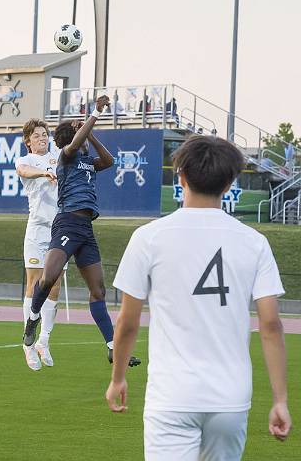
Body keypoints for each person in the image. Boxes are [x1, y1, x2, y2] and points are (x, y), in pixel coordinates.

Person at [106, 135, 292, 459]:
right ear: (230, 182)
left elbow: (127, 322)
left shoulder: (148, 238)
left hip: (172, 395)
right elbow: (271, 325)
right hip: (230, 398)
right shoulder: (254, 242)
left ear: (181, 176)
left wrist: (118, 377)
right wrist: (280, 400)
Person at [22, 95, 141, 367]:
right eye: (81, 138)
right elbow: (75, 144)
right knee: (47, 278)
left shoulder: (87, 162)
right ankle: (32, 320)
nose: (84, 142)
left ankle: (112, 347)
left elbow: (108, 161)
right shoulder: (65, 156)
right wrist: (94, 114)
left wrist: (92, 132)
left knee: (98, 290)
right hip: (66, 223)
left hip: (85, 229)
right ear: (70, 141)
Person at [14, 118, 66, 370]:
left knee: (54, 285)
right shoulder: (26, 161)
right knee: (34, 284)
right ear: (28, 141)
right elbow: (23, 172)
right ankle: (27, 342)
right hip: (37, 230)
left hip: (60, 229)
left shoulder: (57, 152)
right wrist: (44, 172)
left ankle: (44, 340)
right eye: (36, 135)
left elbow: (72, 144)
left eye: (44, 134)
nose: (42, 138)